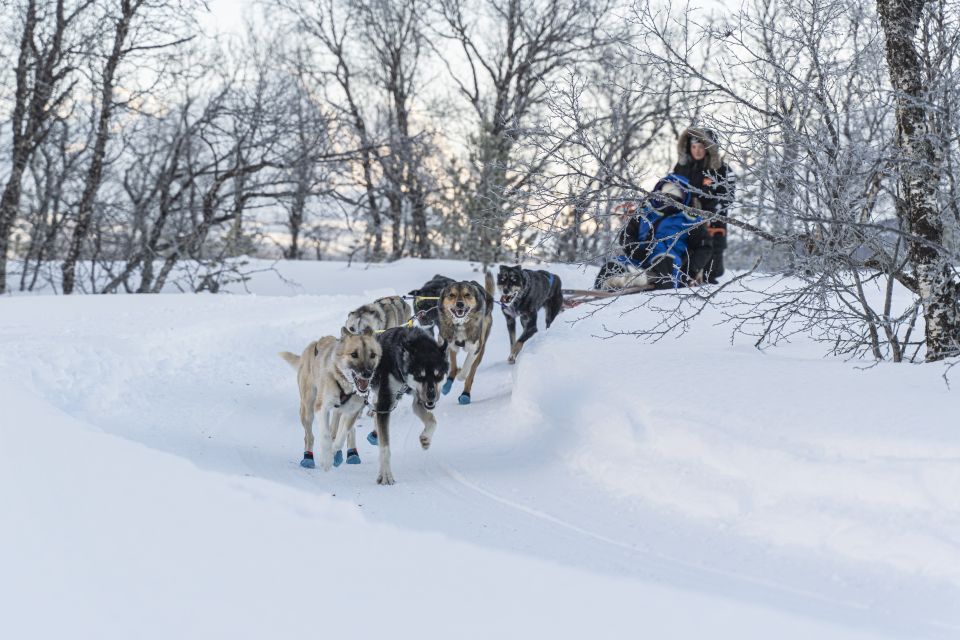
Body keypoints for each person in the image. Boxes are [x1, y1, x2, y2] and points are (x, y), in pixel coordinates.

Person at [594, 173, 712, 290]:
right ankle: (604, 287)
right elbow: (626, 235)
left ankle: (641, 280)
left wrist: (691, 270)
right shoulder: (644, 212)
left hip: (668, 260)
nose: (668, 201)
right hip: (639, 256)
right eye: (665, 196)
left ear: (682, 199)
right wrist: (634, 248)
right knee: (613, 265)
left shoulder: (689, 219)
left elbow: (705, 246)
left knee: (664, 261)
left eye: (674, 198)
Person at [672, 128, 735, 284]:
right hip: (684, 226)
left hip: (713, 227)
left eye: (701, 147)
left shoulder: (722, 170)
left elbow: (727, 197)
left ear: (709, 148)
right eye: (694, 147)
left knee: (710, 273)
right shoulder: (681, 168)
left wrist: (709, 212)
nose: (697, 151)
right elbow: (672, 190)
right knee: (683, 270)